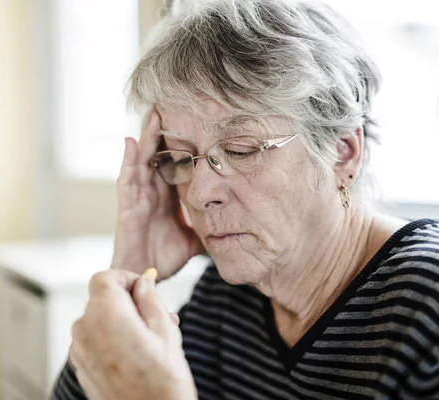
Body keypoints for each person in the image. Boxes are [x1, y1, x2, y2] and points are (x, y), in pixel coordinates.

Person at [52, 0, 439, 398]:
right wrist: (130, 276)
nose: (199, 194)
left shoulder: (427, 308)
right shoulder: (224, 297)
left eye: (241, 149)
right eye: (183, 159)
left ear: (342, 152)